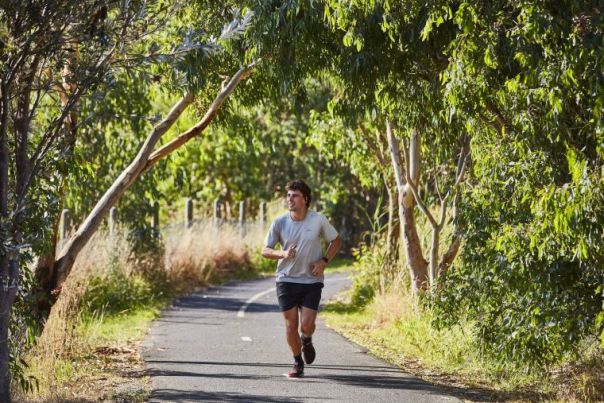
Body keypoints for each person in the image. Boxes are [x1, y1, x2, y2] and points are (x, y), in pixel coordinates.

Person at [261, 179, 342, 378]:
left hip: (311, 281)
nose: (290, 199)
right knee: (290, 325)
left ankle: (306, 339)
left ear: (305, 199)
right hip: (286, 279)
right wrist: (283, 254)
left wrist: (324, 260)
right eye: (288, 195)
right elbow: (264, 250)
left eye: (295, 195)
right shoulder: (279, 222)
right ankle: (297, 362)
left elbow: (336, 241)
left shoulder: (318, 220)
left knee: (306, 325)